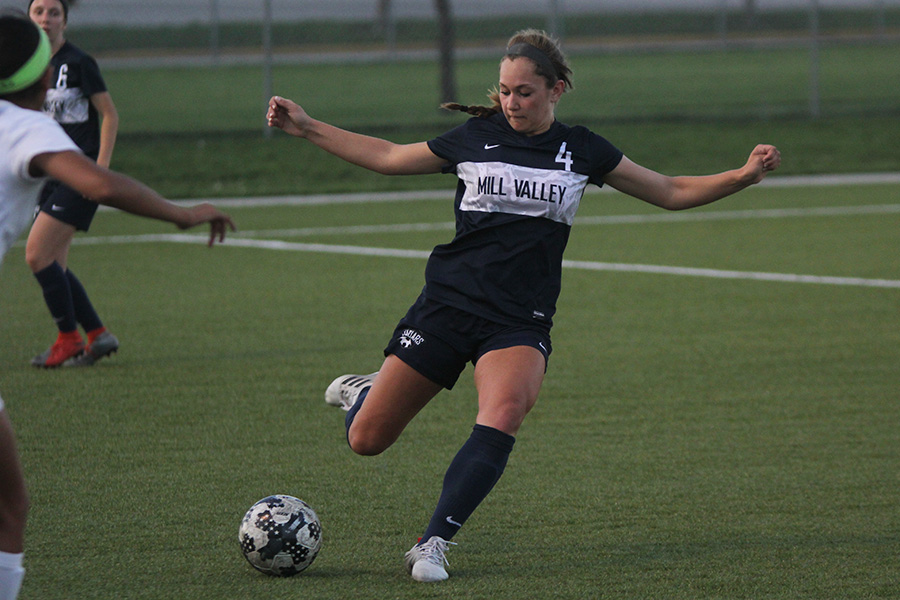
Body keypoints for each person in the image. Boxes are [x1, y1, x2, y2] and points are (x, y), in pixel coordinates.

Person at [267, 28, 781, 583]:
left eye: (525, 92)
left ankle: (432, 542)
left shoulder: (583, 149)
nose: (512, 102)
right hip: (446, 305)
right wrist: (308, 127)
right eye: (506, 91)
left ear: (556, 90)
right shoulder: (475, 137)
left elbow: (670, 191)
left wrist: (743, 175)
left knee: (505, 411)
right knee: (367, 440)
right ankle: (365, 391)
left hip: (518, 319)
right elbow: (390, 156)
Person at [0, 13, 235, 598]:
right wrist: (185, 212)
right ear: (47, 72)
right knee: (9, 504)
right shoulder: (26, 130)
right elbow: (99, 185)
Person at [25, 0, 122, 368]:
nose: (46, 19)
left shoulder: (79, 62)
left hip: (79, 176)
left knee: (36, 255)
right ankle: (97, 335)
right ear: (29, 17)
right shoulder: (26, 67)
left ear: (65, 19)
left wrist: (100, 173)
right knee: (54, 265)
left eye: (53, 12)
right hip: (45, 179)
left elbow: (109, 115)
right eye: (39, 12)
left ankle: (68, 339)